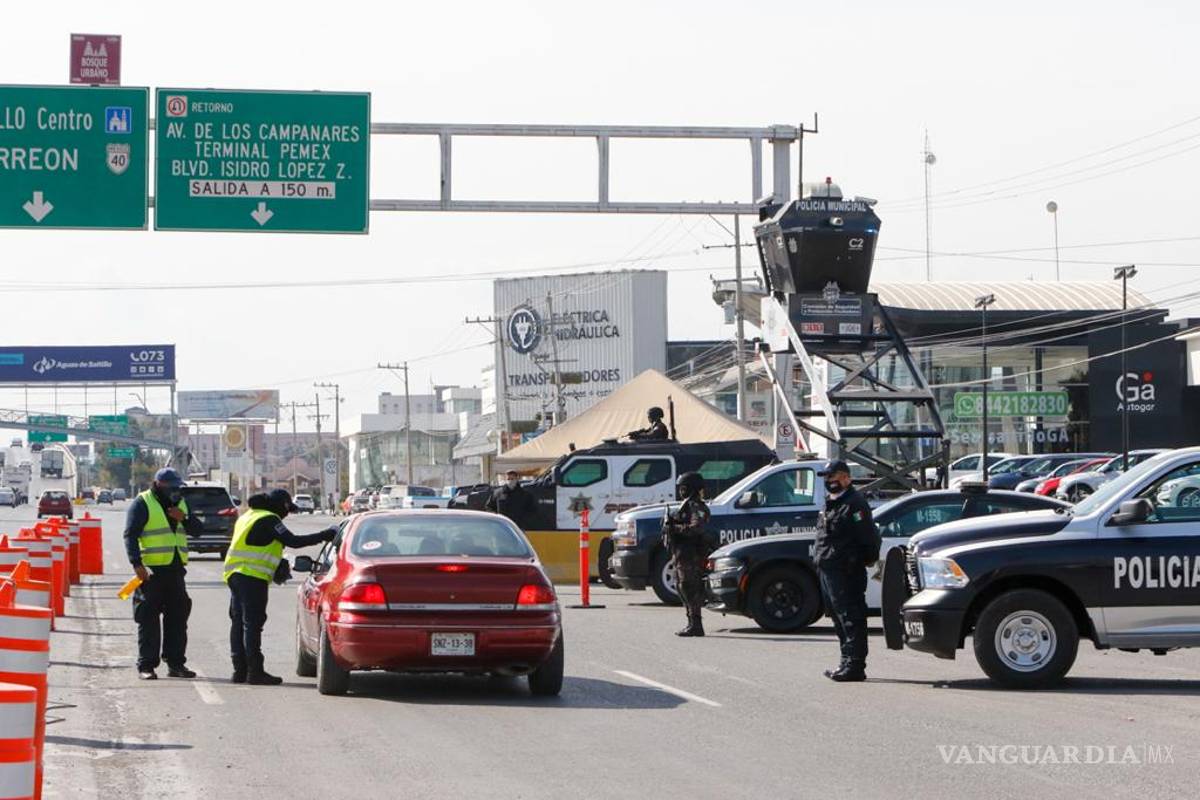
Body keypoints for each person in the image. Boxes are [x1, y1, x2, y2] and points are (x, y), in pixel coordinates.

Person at [223, 488, 337, 685]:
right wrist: (325, 534)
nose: (287, 514)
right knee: (252, 624)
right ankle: (255, 671)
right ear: (281, 505)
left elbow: (257, 544)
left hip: (235, 575)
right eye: (287, 510)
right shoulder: (269, 518)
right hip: (252, 577)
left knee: (238, 622)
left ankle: (239, 671)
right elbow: (293, 541)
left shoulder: (247, 516)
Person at [124, 468, 203, 681]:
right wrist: (136, 564)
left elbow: (197, 529)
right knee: (148, 619)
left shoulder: (181, 503)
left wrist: (183, 518)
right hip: (151, 572)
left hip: (176, 571)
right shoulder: (143, 502)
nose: (175, 491)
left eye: (177, 487)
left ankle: (176, 664)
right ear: (158, 485)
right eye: (171, 487)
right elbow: (130, 535)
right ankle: (146, 665)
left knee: (178, 618)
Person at [813, 460, 880, 682]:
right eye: (826, 478)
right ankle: (845, 660)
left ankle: (855, 665)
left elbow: (869, 538)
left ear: (845, 478)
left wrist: (863, 560)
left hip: (846, 570)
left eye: (832, 478)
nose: (828, 482)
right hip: (829, 568)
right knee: (837, 617)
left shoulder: (855, 504)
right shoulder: (831, 503)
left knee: (851, 617)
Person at [664, 471, 711, 637]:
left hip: (692, 554)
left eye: (683, 488)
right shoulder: (685, 505)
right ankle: (691, 623)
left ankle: (696, 625)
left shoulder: (697, 507)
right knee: (681, 587)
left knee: (690, 588)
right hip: (681, 554)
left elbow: (696, 528)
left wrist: (675, 528)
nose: (680, 491)